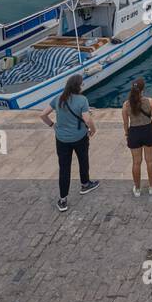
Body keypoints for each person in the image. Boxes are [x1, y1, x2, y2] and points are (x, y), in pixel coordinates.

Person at [40, 74, 98, 211]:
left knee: (64, 168)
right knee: (83, 160)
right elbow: (87, 119)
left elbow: (43, 114)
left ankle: (63, 199)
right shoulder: (82, 100)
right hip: (79, 137)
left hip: (62, 139)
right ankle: (85, 184)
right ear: (78, 86)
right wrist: (93, 129)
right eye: (82, 84)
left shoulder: (58, 98)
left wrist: (52, 125)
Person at [122, 77, 152, 197]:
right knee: (150, 160)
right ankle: (151, 186)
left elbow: (125, 123)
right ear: (143, 89)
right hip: (148, 131)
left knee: (136, 162)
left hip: (134, 133)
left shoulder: (126, 105)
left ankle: (137, 189)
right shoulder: (150, 102)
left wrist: (127, 134)